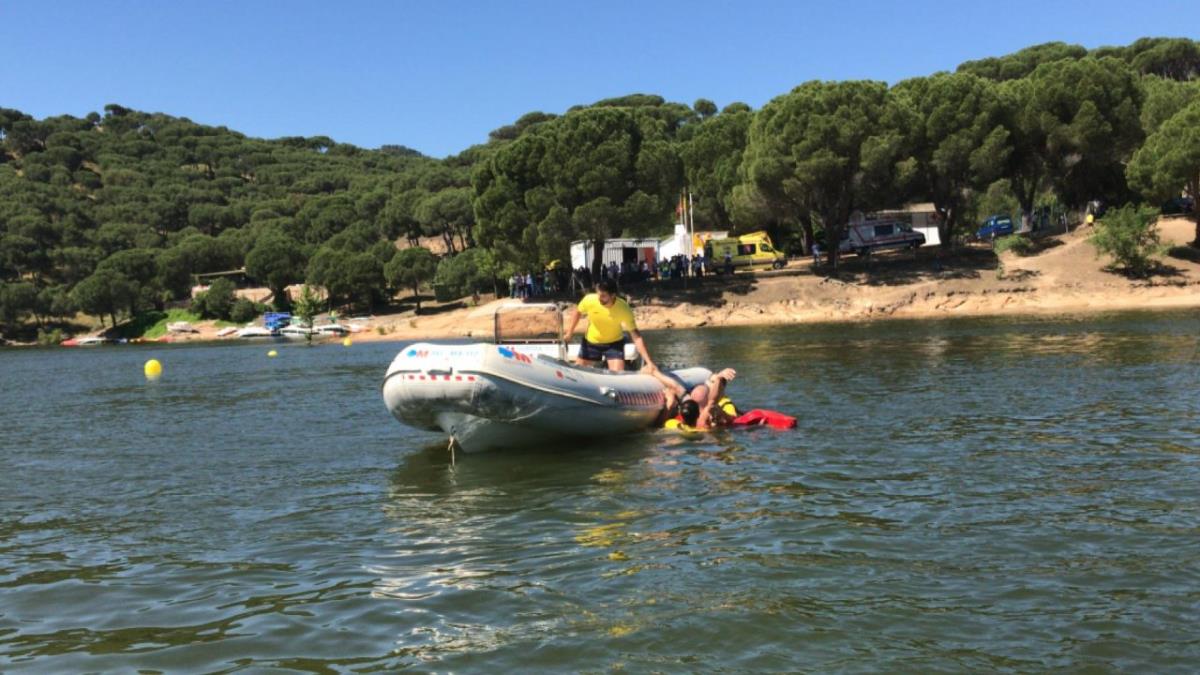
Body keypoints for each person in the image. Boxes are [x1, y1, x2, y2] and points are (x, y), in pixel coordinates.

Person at [562, 279, 657, 372]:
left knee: (618, 375)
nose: (599, 298)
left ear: (613, 295)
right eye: (598, 294)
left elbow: (636, 336)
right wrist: (569, 333)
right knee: (577, 373)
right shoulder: (590, 300)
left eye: (603, 296)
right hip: (591, 342)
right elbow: (578, 312)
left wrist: (649, 361)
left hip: (614, 344)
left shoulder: (623, 309)